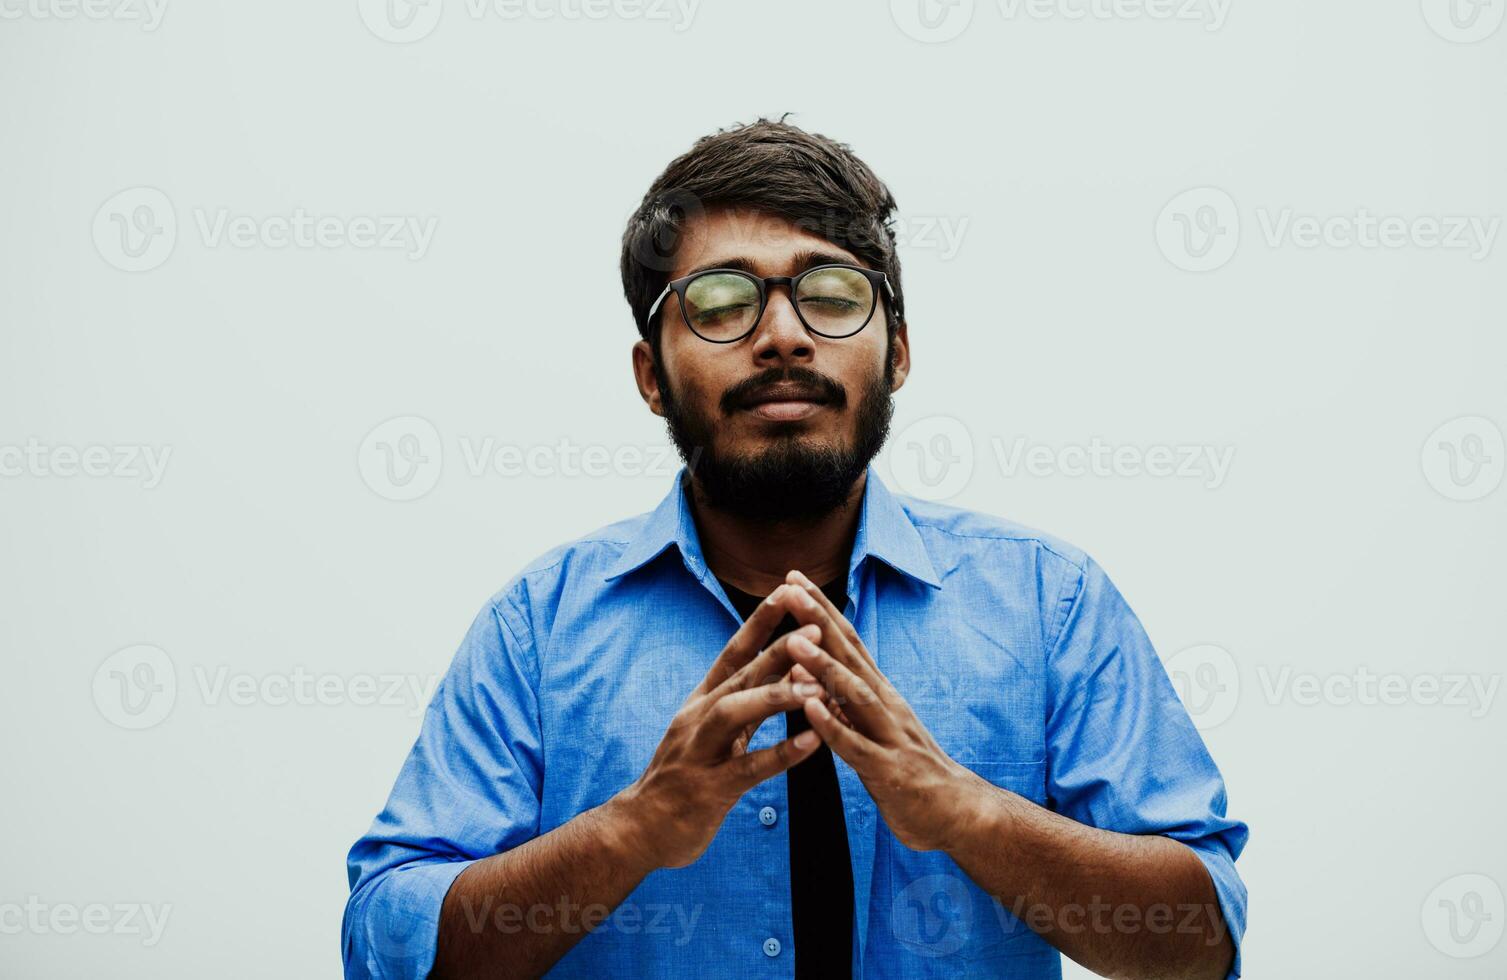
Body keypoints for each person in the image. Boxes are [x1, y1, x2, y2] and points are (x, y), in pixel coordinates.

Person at [343, 118, 1248, 980]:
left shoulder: (1049, 605)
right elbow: (385, 944)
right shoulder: (536, 631)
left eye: (829, 294)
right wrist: (633, 829)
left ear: (896, 352)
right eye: (722, 302)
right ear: (651, 375)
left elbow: (1201, 942)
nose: (782, 335)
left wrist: (963, 810)